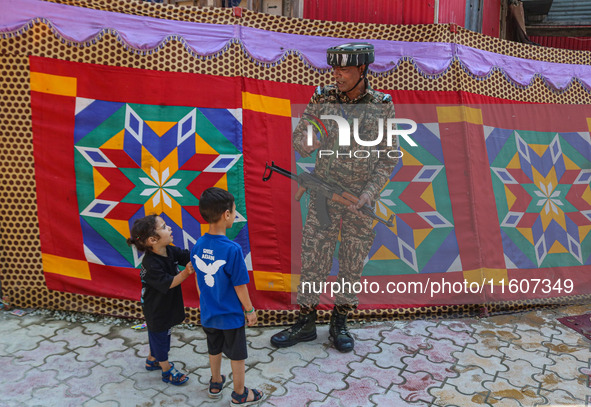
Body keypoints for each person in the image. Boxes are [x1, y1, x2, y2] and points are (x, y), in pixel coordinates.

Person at [270, 43, 398, 353]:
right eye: (334, 70)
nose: (336, 76)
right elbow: (300, 139)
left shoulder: (381, 105)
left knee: (352, 262)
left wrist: (368, 194)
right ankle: (305, 322)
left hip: (360, 201)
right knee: (314, 258)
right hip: (324, 194)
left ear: (362, 71)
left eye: (344, 70)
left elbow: (388, 157)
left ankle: (339, 322)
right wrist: (312, 139)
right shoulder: (322, 99)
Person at [191, 187, 264, 405]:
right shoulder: (232, 250)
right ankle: (240, 393)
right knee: (237, 355)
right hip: (231, 316)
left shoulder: (198, 246)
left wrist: (205, 302)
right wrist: (249, 310)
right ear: (226, 215)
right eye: (234, 211)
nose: (235, 214)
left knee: (214, 348)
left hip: (209, 313)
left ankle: (215, 383)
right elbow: (240, 286)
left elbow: (198, 280)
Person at [127, 214, 194, 385]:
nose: (170, 228)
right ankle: (166, 370)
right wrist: (185, 273)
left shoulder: (170, 251)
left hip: (166, 304)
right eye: (164, 227)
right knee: (161, 339)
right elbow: (169, 282)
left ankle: (152, 360)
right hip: (156, 309)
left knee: (158, 336)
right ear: (153, 240)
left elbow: (187, 255)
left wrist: (203, 250)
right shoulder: (151, 264)